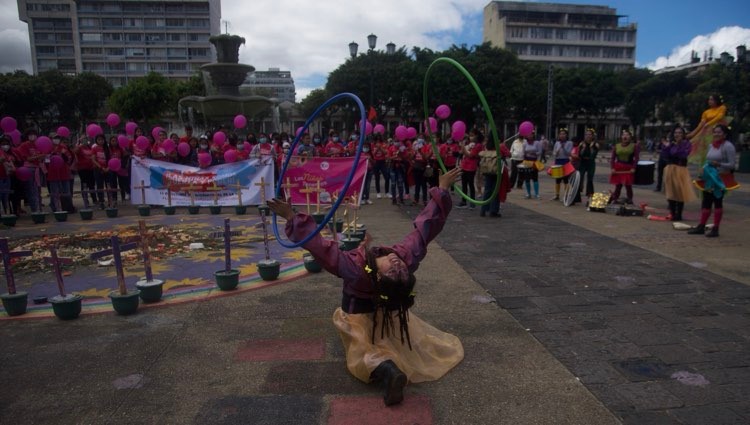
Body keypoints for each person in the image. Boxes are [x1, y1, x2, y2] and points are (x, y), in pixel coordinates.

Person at [267, 167, 464, 406]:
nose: (397, 264)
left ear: (379, 277)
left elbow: (320, 246)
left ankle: (387, 371)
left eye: (393, 271)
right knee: (389, 337)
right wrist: (442, 189)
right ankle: (387, 360)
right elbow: (426, 229)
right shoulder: (404, 257)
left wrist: (291, 216)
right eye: (401, 268)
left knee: (359, 348)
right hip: (386, 307)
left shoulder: (355, 268)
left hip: (357, 312)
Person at [688, 125, 738, 237]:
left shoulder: (728, 146)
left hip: (720, 179)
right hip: (709, 178)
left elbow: (732, 165)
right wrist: (703, 172)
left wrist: (719, 164)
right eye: (715, 132)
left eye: (719, 132)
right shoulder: (711, 146)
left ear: (725, 134)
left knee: (717, 202)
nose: (716, 134)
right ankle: (701, 226)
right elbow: (708, 161)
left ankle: (715, 229)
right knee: (706, 202)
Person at [663, 126, 695, 221]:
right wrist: (667, 146)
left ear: (683, 134)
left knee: (680, 193)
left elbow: (683, 155)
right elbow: (665, 155)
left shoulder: (687, 144)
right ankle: (673, 213)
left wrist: (677, 146)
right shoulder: (671, 144)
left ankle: (679, 214)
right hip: (670, 169)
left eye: (680, 133)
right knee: (671, 192)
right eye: (676, 133)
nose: (678, 135)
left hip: (681, 169)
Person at [687, 94, 728, 165]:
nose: (709, 101)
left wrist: (708, 124)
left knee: (718, 148)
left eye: (711, 99)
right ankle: (703, 168)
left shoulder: (722, 108)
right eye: (709, 99)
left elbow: (719, 117)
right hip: (707, 133)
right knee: (705, 150)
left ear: (716, 100)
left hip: (718, 132)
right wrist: (693, 133)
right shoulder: (706, 112)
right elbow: (701, 123)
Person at [478, 134, 510, 217]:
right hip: (497, 171)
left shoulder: (487, 146)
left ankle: (483, 209)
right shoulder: (501, 146)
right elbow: (509, 154)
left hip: (487, 170)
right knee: (495, 191)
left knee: (487, 190)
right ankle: (493, 211)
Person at [608, 129, 639, 205]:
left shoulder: (634, 146)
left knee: (628, 185)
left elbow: (636, 158)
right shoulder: (617, 146)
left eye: (627, 135)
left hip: (628, 167)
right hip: (618, 167)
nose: (625, 136)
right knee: (618, 185)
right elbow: (612, 158)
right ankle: (615, 199)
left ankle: (630, 199)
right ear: (621, 136)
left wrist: (633, 168)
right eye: (624, 135)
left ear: (630, 137)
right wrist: (612, 168)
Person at [456, 132, 482, 208]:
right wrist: (461, 144)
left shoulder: (478, 145)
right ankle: (463, 201)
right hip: (464, 165)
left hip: (471, 167)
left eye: (472, 135)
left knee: (470, 184)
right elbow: (461, 152)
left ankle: (472, 201)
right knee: (464, 184)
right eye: (470, 135)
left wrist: (463, 147)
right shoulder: (469, 144)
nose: (471, 137)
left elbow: (470, 155)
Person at [576, 128, 600, 201]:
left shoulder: (595, 144)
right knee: (579, 178)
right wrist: (582, 150)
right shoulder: (581, 144)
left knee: (590, 179)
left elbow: (593, 155)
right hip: (582, 162)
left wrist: (591, 148)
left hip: (590, 163)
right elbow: (579, 155)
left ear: (592, 136)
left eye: (590, 134)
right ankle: (577, 196)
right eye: (586, 134)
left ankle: (590, 196)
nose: (588, 136)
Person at [551, 128, 573, 201]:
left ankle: (566, 195)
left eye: (564, 134)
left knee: (565, 179)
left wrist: (563, 148)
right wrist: (556, 152)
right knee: (557, 179)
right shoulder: (557, 143)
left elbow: (569, 153)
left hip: (565, 161)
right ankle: (557, 195)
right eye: (560, 134)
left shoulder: (569, 143)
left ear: (566, 135)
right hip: (558, 161)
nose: (562, 135)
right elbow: (554, 153)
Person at [520, 132, 543, 199]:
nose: (530, 136)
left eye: (531, 134)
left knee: (535, 178)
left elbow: (540, 152)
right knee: (527, 178)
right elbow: (522, 153)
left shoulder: (537, 143)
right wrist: (524, 154)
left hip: (534, 162)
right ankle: (528, 193)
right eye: (528, 135)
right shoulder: (525, 143)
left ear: (533, 135)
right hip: (527, 162)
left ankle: (537, 194)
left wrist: (534, 153)